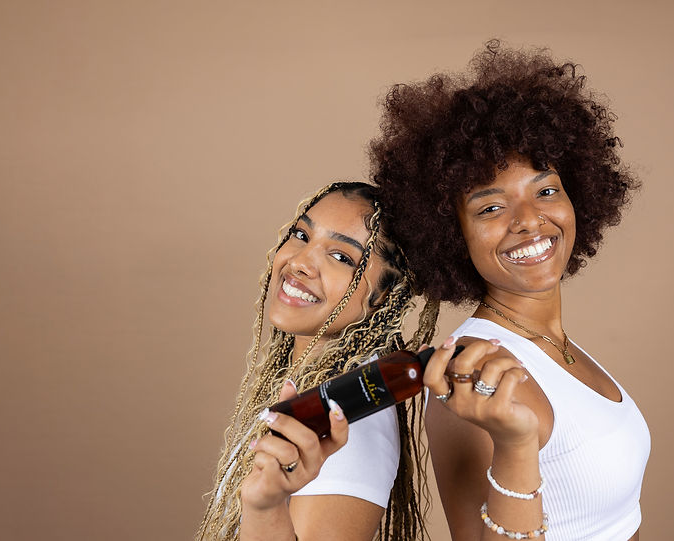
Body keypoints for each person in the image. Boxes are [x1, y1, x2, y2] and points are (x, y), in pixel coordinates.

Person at [371, 41, 650, 540]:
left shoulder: (556, 346)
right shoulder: (475, 375)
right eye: (491, 208)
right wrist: (516, 446)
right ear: (452, 235)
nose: (529, 221)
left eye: (545, 191)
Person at [197, 182, 437, 541]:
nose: (299, 262)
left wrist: (264, 507)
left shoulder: (350, 424)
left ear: (382, 296)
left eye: (341, 257)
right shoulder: (309, 387)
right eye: (301, 234)